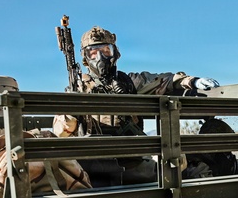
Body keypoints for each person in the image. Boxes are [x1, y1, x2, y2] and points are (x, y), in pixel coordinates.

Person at [54, 25, 219, 138]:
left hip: (133, 158)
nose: (100, 58)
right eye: (93, 53)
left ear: (115, 53)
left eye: (106, 50)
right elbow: (60, 130)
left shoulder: (129, 81)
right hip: (93, 160)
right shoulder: (78, 88)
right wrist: (68, 119)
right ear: (86, 58)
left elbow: (161, 80)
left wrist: (191, 81)